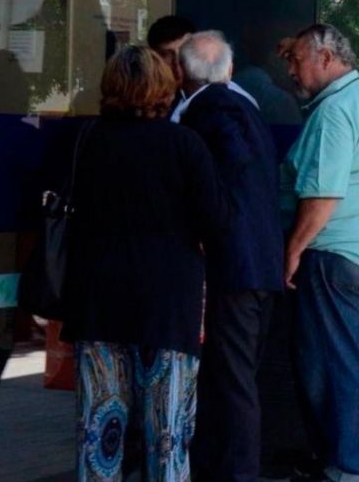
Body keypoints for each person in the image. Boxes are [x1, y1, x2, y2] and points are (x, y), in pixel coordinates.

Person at [61, 46, 230, 481]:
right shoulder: (184, 144)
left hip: (97, 301)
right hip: (168, 304)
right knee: (168, 434)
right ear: (165, 87)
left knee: (99, 432)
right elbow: (216, 223)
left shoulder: (84, 140)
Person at [281, 23, 359, 482]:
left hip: (333, 253)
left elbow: (323, 196)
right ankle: (335, 457)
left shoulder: (333, 111)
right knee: (344, 359)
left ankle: (345, 465)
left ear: (326, 58)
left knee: (333, 364)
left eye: (297, 59)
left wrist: (292, 250)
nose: (290, 69)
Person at [178, 31, 285, 482]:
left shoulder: (212, 108)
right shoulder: (247, 107)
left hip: (235, 266)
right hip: (259, 262)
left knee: (234, 379)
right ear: (229, 68)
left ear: (182, 72)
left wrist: (209, 226)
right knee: (234, 375)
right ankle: (219, 465)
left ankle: (237, 472)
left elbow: (229, 169)